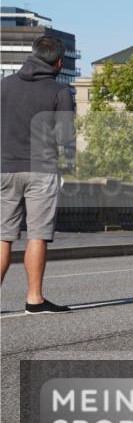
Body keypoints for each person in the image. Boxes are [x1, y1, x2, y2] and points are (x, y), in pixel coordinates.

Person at [1, 35, 75, 314]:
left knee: (3, 235)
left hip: (4, 168)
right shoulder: (59, 91)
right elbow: (66, 136)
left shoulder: (3, 86)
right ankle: (34, 299)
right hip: (41, 171)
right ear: (58, 62)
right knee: (37, 234)